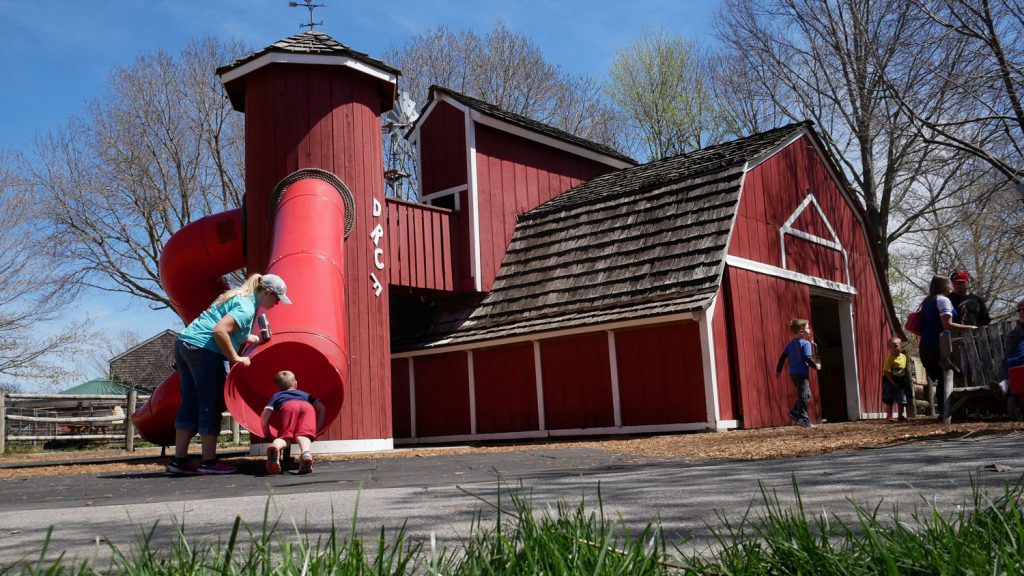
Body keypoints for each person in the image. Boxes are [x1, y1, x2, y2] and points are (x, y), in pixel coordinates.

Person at [166, 273, 291, 476]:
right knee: (210, 404)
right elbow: (220, 331)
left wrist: (255, 339)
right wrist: (235, 357)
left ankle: (179, 460)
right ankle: (208, 462)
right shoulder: (247, 306)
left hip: (185, 344)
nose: (276, 304)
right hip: (205, 351)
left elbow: (233, 331)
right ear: (266, 292)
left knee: (189, 402)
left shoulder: (236, 297)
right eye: (276, 299)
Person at [916, 274, 976, 419]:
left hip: (926, 345)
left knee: (942, 377)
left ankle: (945, 411)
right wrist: (970, 328)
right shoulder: (943, 300)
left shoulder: (927, 301)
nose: (950, 286)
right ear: (944, 286)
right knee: (947, 375)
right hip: (939, 345)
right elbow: (947, 324)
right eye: (949, 283)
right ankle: (947, 411)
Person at [261, 370, 325, 475]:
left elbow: (265, 415)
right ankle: (306, 454)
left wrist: (266, 432)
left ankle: (275, 448)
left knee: (285, 439)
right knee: (303, 436)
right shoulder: (304, 394)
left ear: (277, 387)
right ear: (296, 384)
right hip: (307, 407)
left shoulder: (277, 395)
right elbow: (322, 408)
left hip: (288, 406)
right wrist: (318, 428)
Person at [776, 319, 821, 428]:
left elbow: (782, 357)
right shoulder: (805, 344)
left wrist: (778, 370)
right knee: (804, 394)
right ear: (801, 331)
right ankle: (803, 418)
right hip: (801, 373)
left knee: (806, 394)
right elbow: (807, 358)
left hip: (793, 374)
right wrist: (816, 366)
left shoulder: (790, 344)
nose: (809, 329)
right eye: (807, 327)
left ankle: (794, 412)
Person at [996, 300, 1024, 396]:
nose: (1021, 312)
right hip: (1018, 371)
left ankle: (1006, 382)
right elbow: (1009, 355)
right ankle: (1007, 382)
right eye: (1019, 310)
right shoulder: (1015, 333)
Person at [882, 337, 910, 422]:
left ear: (901, 346)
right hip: (890, 380)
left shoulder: (904, 357)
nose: (893, 348)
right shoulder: (889, 359)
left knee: (901, 398)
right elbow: (886, 372)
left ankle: (900, 416)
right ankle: (889, 416)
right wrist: (893, 382)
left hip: (900, 380)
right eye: (890, 347)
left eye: (895, 346)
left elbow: (904, 369)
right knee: (889, 398)